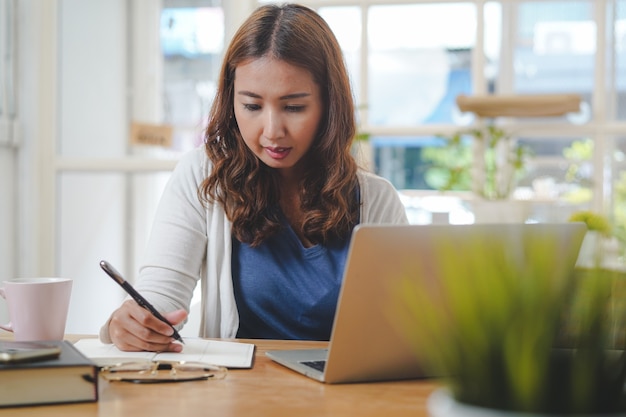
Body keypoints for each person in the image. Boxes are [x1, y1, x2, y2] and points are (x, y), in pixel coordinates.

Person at [100, 3, 408, 352]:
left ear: (329, 105)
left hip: (339, 399)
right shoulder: (202, 175)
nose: (272, 131)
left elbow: (402, 331)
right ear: (232, 101)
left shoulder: (376, 200)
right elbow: (159, 301)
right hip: (238, 396)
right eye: (251, 106)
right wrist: (129, 325)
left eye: (294, 107)